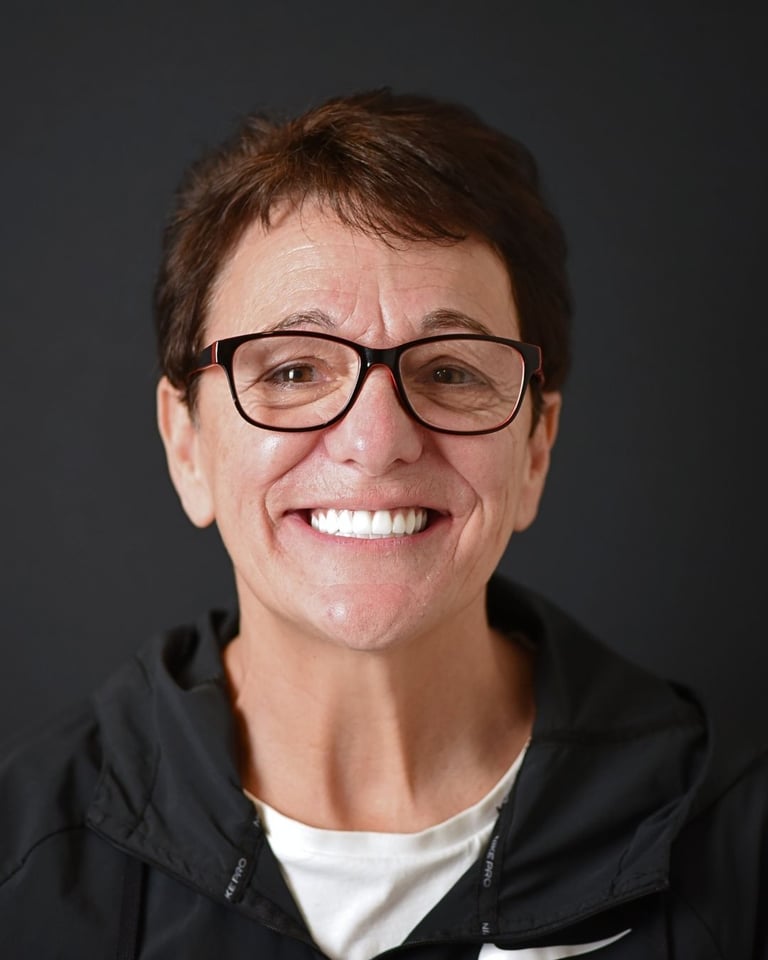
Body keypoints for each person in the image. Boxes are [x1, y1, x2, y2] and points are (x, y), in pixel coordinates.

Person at [0, 89, 765, 959]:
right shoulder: (22, 865)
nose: (376, 442)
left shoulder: (740, 848)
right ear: (187, 445)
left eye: (449, 371)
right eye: (293, 370)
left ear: (536, 450)